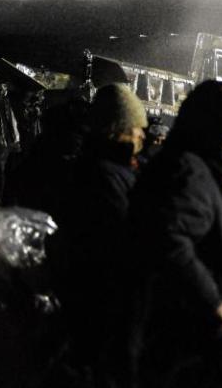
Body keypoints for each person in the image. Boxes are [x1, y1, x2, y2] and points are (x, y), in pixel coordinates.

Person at [130, 81, 222, 388]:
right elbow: (166, 238)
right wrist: (213, 304)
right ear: (216, 125)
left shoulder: (207, 173)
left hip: (213, 354)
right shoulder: (189, 173)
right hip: (198, 356)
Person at [53, 83, 148, 383]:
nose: (143, 135)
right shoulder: (101, 177)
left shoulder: (112, 168)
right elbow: (125, 240)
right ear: (117, 129)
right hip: (106, 307)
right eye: (137, 127)